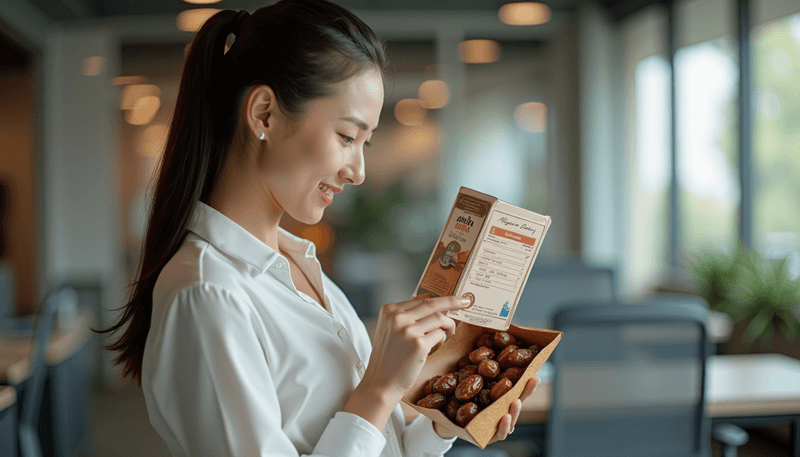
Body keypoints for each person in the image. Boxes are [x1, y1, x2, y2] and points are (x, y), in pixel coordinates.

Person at [100, 1, 538, 456]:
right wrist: (378, 388)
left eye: (365, 143)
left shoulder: (300, 267)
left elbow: (384, 445)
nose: (360, 171)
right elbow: (367, 414)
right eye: (347, 137)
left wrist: (450, 419)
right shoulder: (209, 293)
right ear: (265, 114)